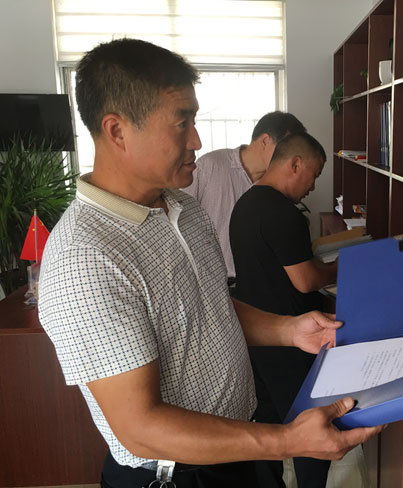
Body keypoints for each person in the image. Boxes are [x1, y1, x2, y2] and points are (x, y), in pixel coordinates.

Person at [37, 38, 380, 488]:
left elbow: (209, 306)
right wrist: (286, 440)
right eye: (182, 123)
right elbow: (140, 427)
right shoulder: (84, 258)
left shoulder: (184, 208)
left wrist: (289, 330)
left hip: (238, 448)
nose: (197, 141)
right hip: (176, 476)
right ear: (117, 130)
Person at [230, 132, 338, 488]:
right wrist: (339, 267)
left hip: (255, 336)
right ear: (295, 164)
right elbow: (306, 281)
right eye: (314, 174)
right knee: (311, 424)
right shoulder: (283, 214)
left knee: (267, 420)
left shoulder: (245, 203)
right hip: (291, 338)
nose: (312, 186)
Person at [183, 111, 306, 279]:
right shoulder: (210, 166)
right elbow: (179, 219)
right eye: (287, 149)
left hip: (253, 284)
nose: (290, 158)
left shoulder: (277, 186)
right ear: (265, 141)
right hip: (208, 281)